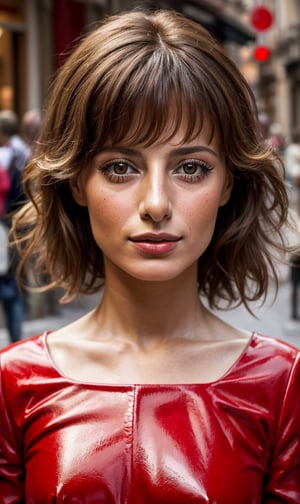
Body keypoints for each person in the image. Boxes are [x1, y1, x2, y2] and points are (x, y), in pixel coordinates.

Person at [0, 8, 299, 502]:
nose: (156, 203)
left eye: (191, 168)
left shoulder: (282, 386)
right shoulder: (14, 384)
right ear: (77, 181)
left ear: (228, 182)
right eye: (120, 166)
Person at [0, 110, 27, 343]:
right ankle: (16, 337)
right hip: (16, 222)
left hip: (9, 224)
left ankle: (16, 336)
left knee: (10, 279)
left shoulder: (9, 155)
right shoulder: (21, 150)